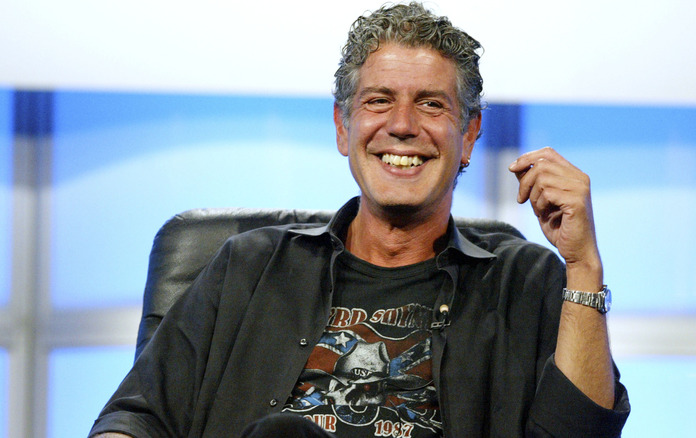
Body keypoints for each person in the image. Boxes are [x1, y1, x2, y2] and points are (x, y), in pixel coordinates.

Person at [90, 2, 629, 437]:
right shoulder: (247, 267)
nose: (401, 125)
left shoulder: (525, 281)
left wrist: (582, 265)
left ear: (468, 135)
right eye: (378, 100)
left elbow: (581, 433)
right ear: (343, 127)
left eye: (432, 105)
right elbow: (136, 418)